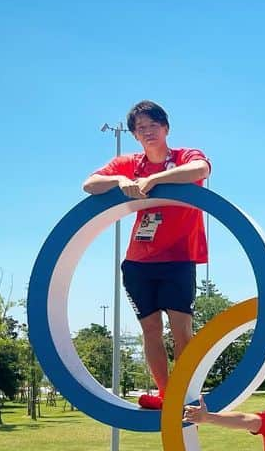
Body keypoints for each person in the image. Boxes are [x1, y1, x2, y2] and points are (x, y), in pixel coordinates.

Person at [83, 100, 210, 410]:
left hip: (179, 258)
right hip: (139, 263)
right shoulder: (130, 163)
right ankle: (166, 396)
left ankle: (184, 392)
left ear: (165, 128)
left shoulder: (182, 157)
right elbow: (89, 184)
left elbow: (202, 168)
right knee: (150, 329)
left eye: (153, 125)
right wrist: (119, 180)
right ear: (135, 135)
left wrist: (155, 179)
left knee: (181, 328)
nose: (148, 131)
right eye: (141, 128)